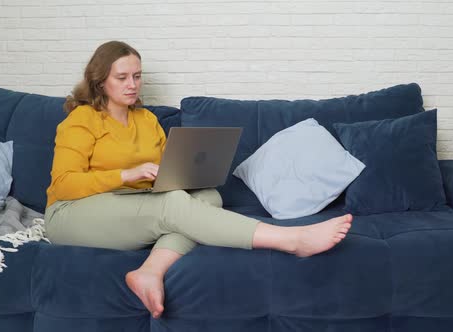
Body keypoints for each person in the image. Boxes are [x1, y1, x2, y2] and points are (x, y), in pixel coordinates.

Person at [44, 40, 353, 319]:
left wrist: (177, 175)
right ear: (100, 81)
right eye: (122, 78)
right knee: (175, 205)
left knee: (208, 197)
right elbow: (65, 183)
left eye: (137, 76)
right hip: (72, 213)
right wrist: (126, 175)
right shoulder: (82, 119)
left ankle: (150, 272)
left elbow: (164, 170)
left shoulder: (147, 120)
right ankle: (291, 240)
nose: (132, 85)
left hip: (126, 207)